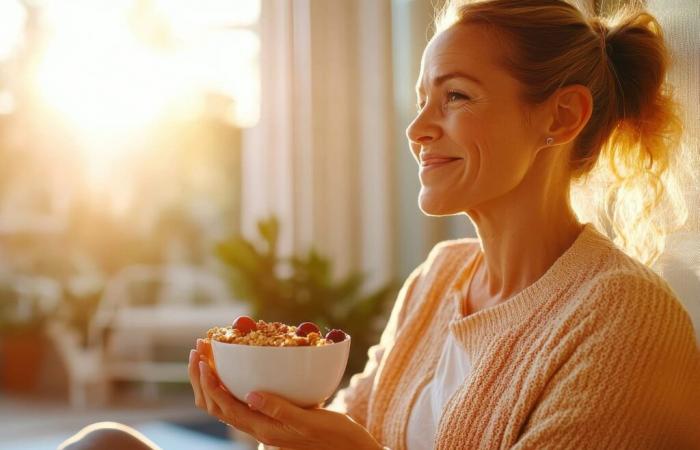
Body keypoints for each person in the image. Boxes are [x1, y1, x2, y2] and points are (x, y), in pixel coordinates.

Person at [59, 0, 699, 449]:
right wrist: (279, 420)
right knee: (106, 443)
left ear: (560, 118)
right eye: (422, 99)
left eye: (456, 96)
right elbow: (351, 418)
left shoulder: (624, 320)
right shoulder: (440, 277)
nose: (418, 129)